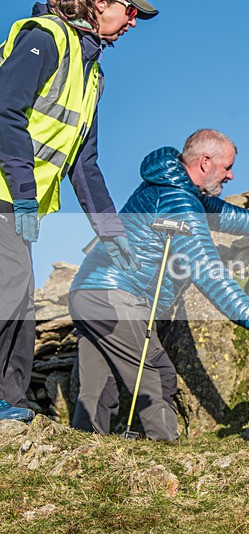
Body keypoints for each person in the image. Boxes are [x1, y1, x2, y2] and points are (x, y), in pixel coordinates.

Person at [69, 130, 249, 441]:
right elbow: (206, 269)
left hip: (88, 290)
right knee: (156, 375)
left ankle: (84, 451)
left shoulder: (171, 187)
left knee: (98, 384)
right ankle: (164, 452)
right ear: (205, 162)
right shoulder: (178, 200)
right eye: (227, 167)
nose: (231, 175)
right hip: (115, 295)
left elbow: (223, 215)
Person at [0, 0, 159, 422]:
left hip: (17, 201)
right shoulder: (45, 38)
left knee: (20, 299)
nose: (134, 22)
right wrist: (24, 191)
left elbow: (84, 164)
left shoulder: (92, 75)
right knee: (10, 291)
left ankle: (11, 404)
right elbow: (4, 110)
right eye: (131, 10)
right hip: (9, 193)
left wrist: (112, 231)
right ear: (100, 2)